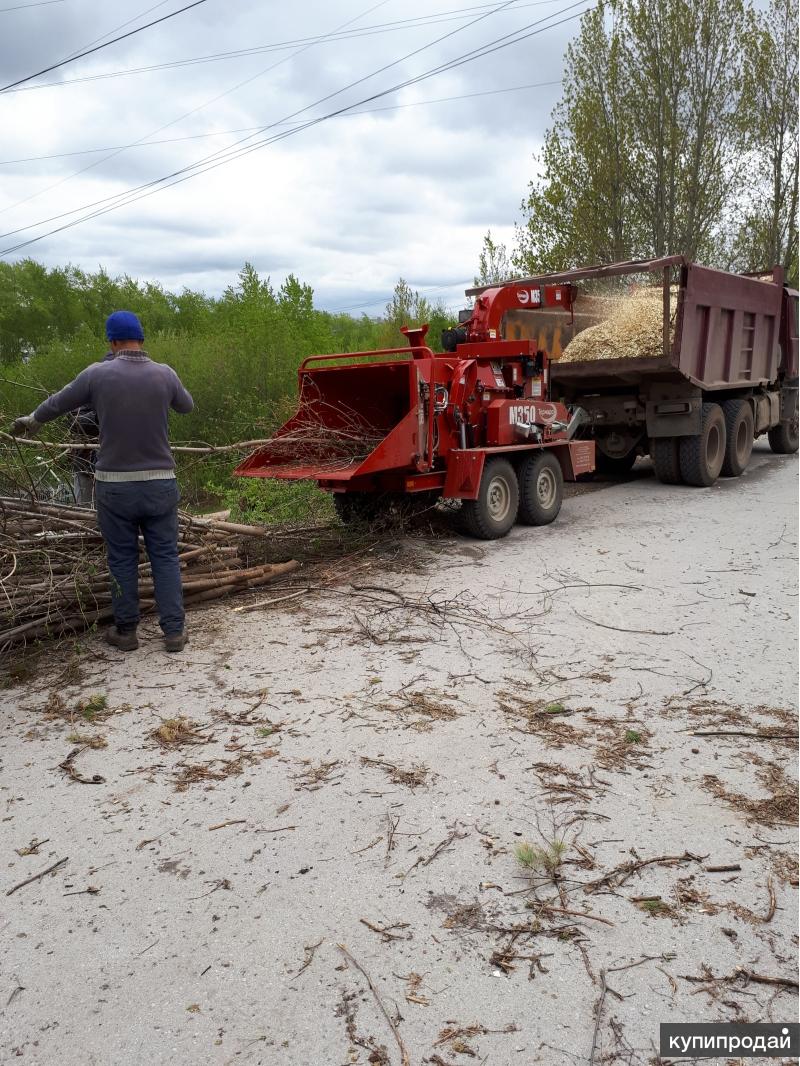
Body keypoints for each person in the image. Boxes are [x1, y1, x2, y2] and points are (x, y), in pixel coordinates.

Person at [11, 310, 193, 653]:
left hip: (115, 486)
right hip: (159, 483)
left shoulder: (97, 374)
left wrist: (32, 419)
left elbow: (58, 403)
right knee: (165, 557)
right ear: (142, 339)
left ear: (111, 342)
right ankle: (173, 633)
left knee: (122, 559)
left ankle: (126, 633)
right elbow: (187, 405)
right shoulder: (164, 374)